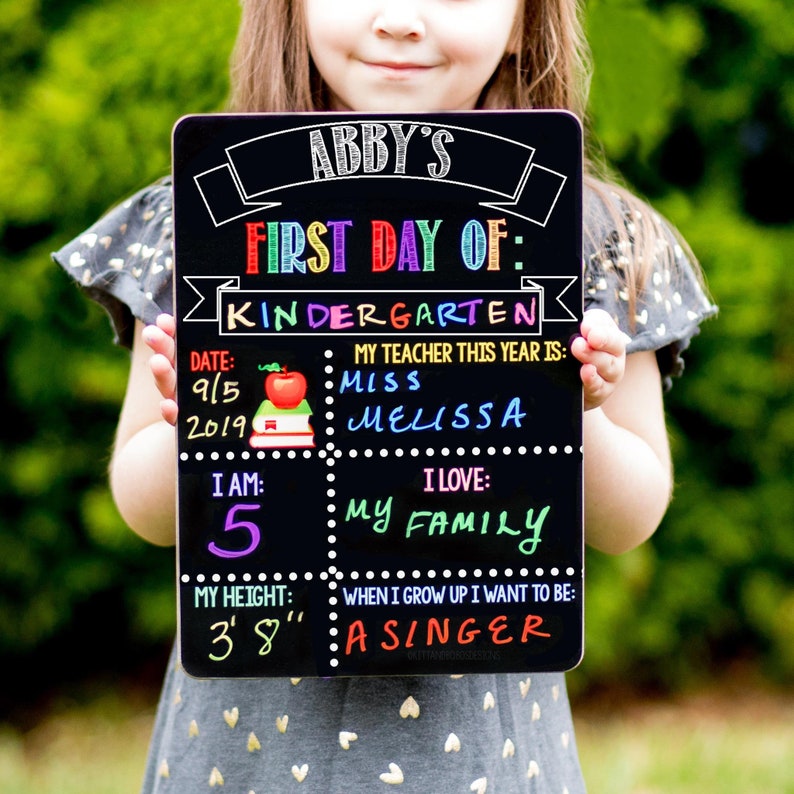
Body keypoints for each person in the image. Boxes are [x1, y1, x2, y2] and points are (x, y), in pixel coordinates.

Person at [53, 1, 717, 791]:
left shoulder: (590, 237)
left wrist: (581, 412)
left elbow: (630, 518)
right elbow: (145, 507)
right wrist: (197, 419)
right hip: (243, 750)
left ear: (524, 19)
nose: (401, 18)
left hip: (480, 755)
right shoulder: (206, 222)